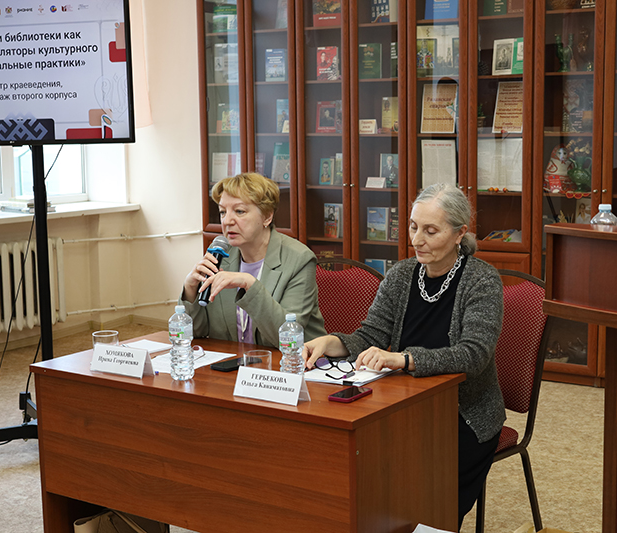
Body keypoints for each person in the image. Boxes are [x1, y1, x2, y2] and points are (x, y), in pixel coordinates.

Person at [302, 183, 505, 527]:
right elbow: (370, 336)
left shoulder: (481, 280)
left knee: (420, 492)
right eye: (413, 227)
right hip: (401, 403)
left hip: (462, 414)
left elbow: (474, 355)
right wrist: (331, 342)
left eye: (431, 231)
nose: (417, 240)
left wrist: (406, 359)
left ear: (459, 234)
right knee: (355, 466)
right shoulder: (401, 275)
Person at [181, 172, 326, 346]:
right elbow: (197, 333)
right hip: (235, 360)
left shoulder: (298, 259)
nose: (227, 221)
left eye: (239, 211)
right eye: (222, 212)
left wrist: (250, 284)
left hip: (294, 360)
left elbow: (289, 339)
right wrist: (190, 290)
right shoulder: (221, 253)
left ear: (267, 216)